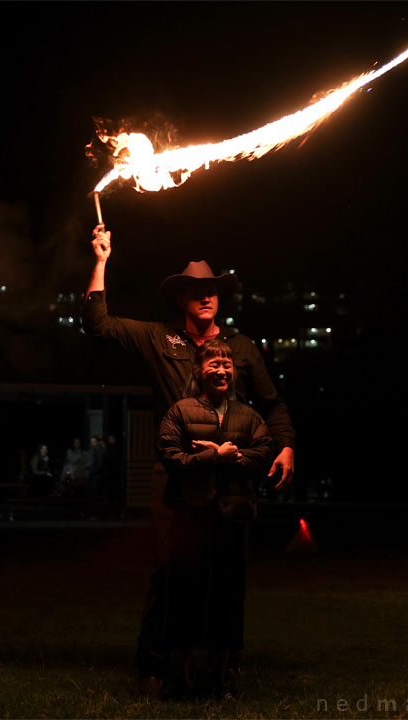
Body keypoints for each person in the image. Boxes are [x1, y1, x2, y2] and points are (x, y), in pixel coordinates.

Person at [82, 223, 295, 693]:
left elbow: (272, 403)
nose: (206, 297)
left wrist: (285, 445)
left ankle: (224, 670)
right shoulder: (159, 339)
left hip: (231, 474)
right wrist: (101, 260)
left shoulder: (238, 349)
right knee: (168, 568)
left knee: (228, 572)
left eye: (212, 291)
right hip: (174, 474)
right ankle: (155, 667)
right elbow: (98, 325)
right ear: (181, 299)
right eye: (196, 292)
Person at [157, 339, 273, 698]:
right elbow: (169, 456)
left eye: (227, 364)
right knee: (184, 596)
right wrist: (212, 459)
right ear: (198, 371)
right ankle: (180, 680)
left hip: (232, 520)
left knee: (228, 598)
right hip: (190, 518)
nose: (221, 370)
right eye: (213, 364)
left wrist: (234, 457)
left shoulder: (248, 415)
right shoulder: (180, 411)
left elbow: (263, 452)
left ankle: (220, 679)